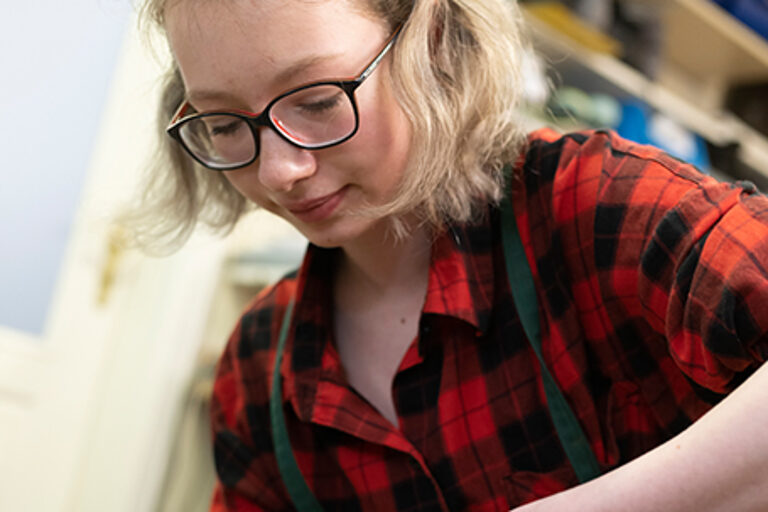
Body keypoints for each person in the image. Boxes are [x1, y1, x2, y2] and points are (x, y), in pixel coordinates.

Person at [133, 0, 768, 510]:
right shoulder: (257, 372)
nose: (278, 170)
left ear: (432, 42)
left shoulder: (599, 210)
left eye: (319, 101)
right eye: (222, 124)